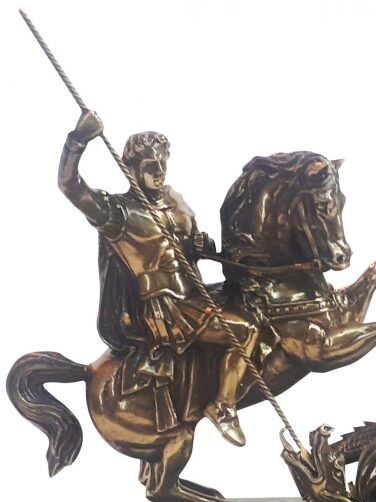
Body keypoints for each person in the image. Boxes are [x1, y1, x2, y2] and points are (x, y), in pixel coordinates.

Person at [58, 110, 258, 446]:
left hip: (194, 294)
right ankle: (222, 406)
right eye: (151, 165)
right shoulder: (117, 213)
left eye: (163, 162)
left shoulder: (175, 201)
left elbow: (189, 247)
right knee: (244, 331)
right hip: (166, 309)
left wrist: (201, 246)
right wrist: (77, 141)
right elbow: (69, 186)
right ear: (132, 169)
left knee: (251, 305)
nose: (159, 170)